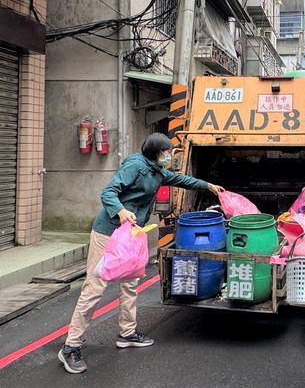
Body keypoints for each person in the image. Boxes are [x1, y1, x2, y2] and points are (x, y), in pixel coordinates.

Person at [58, 133, 224, 374]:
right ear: (157, 153)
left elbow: (180, 179)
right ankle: (70, 347)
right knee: (95, 287)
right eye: (167, 152)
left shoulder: (156, 170)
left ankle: (127, 333)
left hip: (131, 234)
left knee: (130, 283)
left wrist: (208, 186)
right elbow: (108, 193)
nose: (170, 156)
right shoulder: (136, 166)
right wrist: (121, 211)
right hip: (109, 232)